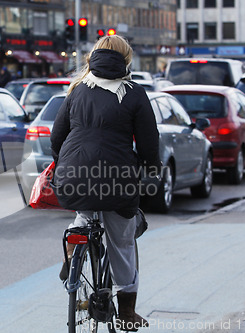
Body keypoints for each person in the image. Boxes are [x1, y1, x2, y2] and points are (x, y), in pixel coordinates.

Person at [50, 35, 161, 331]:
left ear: (92, 58)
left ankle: (73, 250)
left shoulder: (76, 90)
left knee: (84, 210)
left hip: (72, 176)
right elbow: (149, 142)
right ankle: (126, 313)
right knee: (122, 241)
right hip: (117, 179)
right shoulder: (134, 92)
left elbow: (56, 136)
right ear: (127, 60)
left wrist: (62, 163)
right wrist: (150, 168)